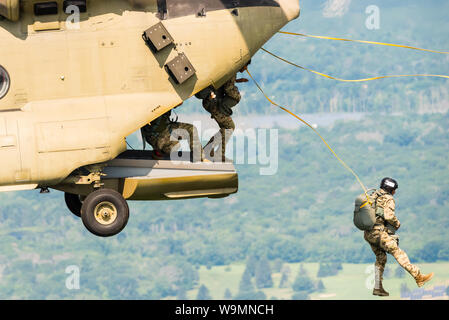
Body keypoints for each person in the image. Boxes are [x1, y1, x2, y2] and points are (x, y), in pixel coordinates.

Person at [364, 177, 434, 297]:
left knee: (381, 259)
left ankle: (377, 287)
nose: (395, 192)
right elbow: (389, 215)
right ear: (390, 189)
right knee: (398, 253)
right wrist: (397, 223)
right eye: (394, 190)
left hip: (368, 233)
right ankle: (418, 277)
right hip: (379, 233)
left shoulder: (373, 195)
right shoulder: (388, 198)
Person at [198, 66, 248, 161]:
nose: (246, 69)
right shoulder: (232, 71)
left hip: (212, 101)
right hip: (214, 102)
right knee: (229, 127)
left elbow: (223, 81)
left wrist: (236, 81)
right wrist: (236, 94)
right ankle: (213, 152)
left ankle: (211, 151)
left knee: (227, 128)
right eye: (246, 65)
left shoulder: (230, 70)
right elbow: (228, 88)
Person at [141, 109, 207, 162]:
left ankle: (160, 150)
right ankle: (199, 157)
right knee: (191, 129)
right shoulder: (160, 101)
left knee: (174, 143)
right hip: (162, 134)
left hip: (151, 138)